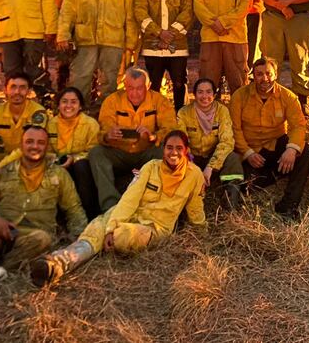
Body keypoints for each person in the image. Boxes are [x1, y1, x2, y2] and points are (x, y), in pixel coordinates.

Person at [30, 130, 205, 287]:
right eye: (169, 147)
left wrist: (202, 234)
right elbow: (130, 199)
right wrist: (110, 226)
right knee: (97, 227)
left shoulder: (194, 175)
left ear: (186, 151)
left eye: (179, 148)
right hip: (130, 213)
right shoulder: (151, 167)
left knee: (122, 235)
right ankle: (57, 264)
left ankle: (108, 241)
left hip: (154, 228)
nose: (173, 152)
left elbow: (195, 210)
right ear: (163, 149)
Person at [0, 125, 87, 293]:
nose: (35, 146)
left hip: (31, 236)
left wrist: (80, 238)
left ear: (46, 146)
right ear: (21, 145)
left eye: (40, 142)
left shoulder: (59, 174)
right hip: (0, 230)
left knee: (43, 239)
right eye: (29, 142)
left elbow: (73, 208)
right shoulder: (4, 172)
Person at [57, 0, 137, 105]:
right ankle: (80, 115)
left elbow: (130, 16)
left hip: (113, 42)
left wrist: (131, 45)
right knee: (80, 79)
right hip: (85, 39)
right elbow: (68, 8)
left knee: (110, 81)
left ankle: (105, 118)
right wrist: (63, 34)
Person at [230, 57, 309, 220]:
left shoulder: (288, 96)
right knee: (244, 188)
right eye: (259, 74)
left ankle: (289, 205)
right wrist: (248, 153)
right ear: (254, 75)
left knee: (305, 151)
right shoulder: (240, 96)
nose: (264, 79)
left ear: (276, 74)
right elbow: (234, 129)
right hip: (249, 150)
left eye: (269, 73)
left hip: (275, 147)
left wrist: (291, 149)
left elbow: (298, 126)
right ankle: (272, 175)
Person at [89, 67, 177, 212]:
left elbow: (171, 130)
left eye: (139, 88)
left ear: (148, 86)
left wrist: (153, 136)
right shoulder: (112, 101)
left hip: (147, 152)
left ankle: (158, 204)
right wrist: (108, 136)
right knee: (96, 153)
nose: (134, 93)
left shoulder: (160, 101)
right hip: (119, 152)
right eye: (130, 88)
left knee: (165, 154)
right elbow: (101, 132)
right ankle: (110, 206)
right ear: (124, 86)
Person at [133, 0, 194, 112]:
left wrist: (170, 35)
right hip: (153, 45)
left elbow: (187, 14)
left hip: (177, 47)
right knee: (153, 84)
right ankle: (154, 116)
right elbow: (140, 13)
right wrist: (159, 33)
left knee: (179, 83)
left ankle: (179, 117)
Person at [193, 0, 253, 94]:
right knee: (208, 85)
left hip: (236, 38)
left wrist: (223, 23)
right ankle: (209, 117)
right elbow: (198, 4)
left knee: (239, 84)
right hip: (210, 38)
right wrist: (214, 24)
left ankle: (238, 117)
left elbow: (245, 5)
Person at [177, 78, 244, 209]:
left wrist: (210, 167)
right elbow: (181, 142)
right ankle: (185, 203)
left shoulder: (222, 111)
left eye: (208, 92)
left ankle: (230, 200)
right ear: (194, 94)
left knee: (233, 158)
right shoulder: (183, 113)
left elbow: (227, 141)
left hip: (214, 159)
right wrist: (193, 168)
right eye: (200, 92)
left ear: (214, 94)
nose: (204, 96)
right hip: (192, 159)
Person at [47, 87, 100, 220]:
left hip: (83, 170)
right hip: (58, 165)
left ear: (80, 105)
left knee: (81, 166)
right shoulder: (50, 124)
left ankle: (89, 215)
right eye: (64, 101)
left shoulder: (90, 124)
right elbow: (46, 151)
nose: (68, 106)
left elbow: (95, 151)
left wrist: (74, 158)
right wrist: (57, 160)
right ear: (58, 105)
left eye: (73, 102)